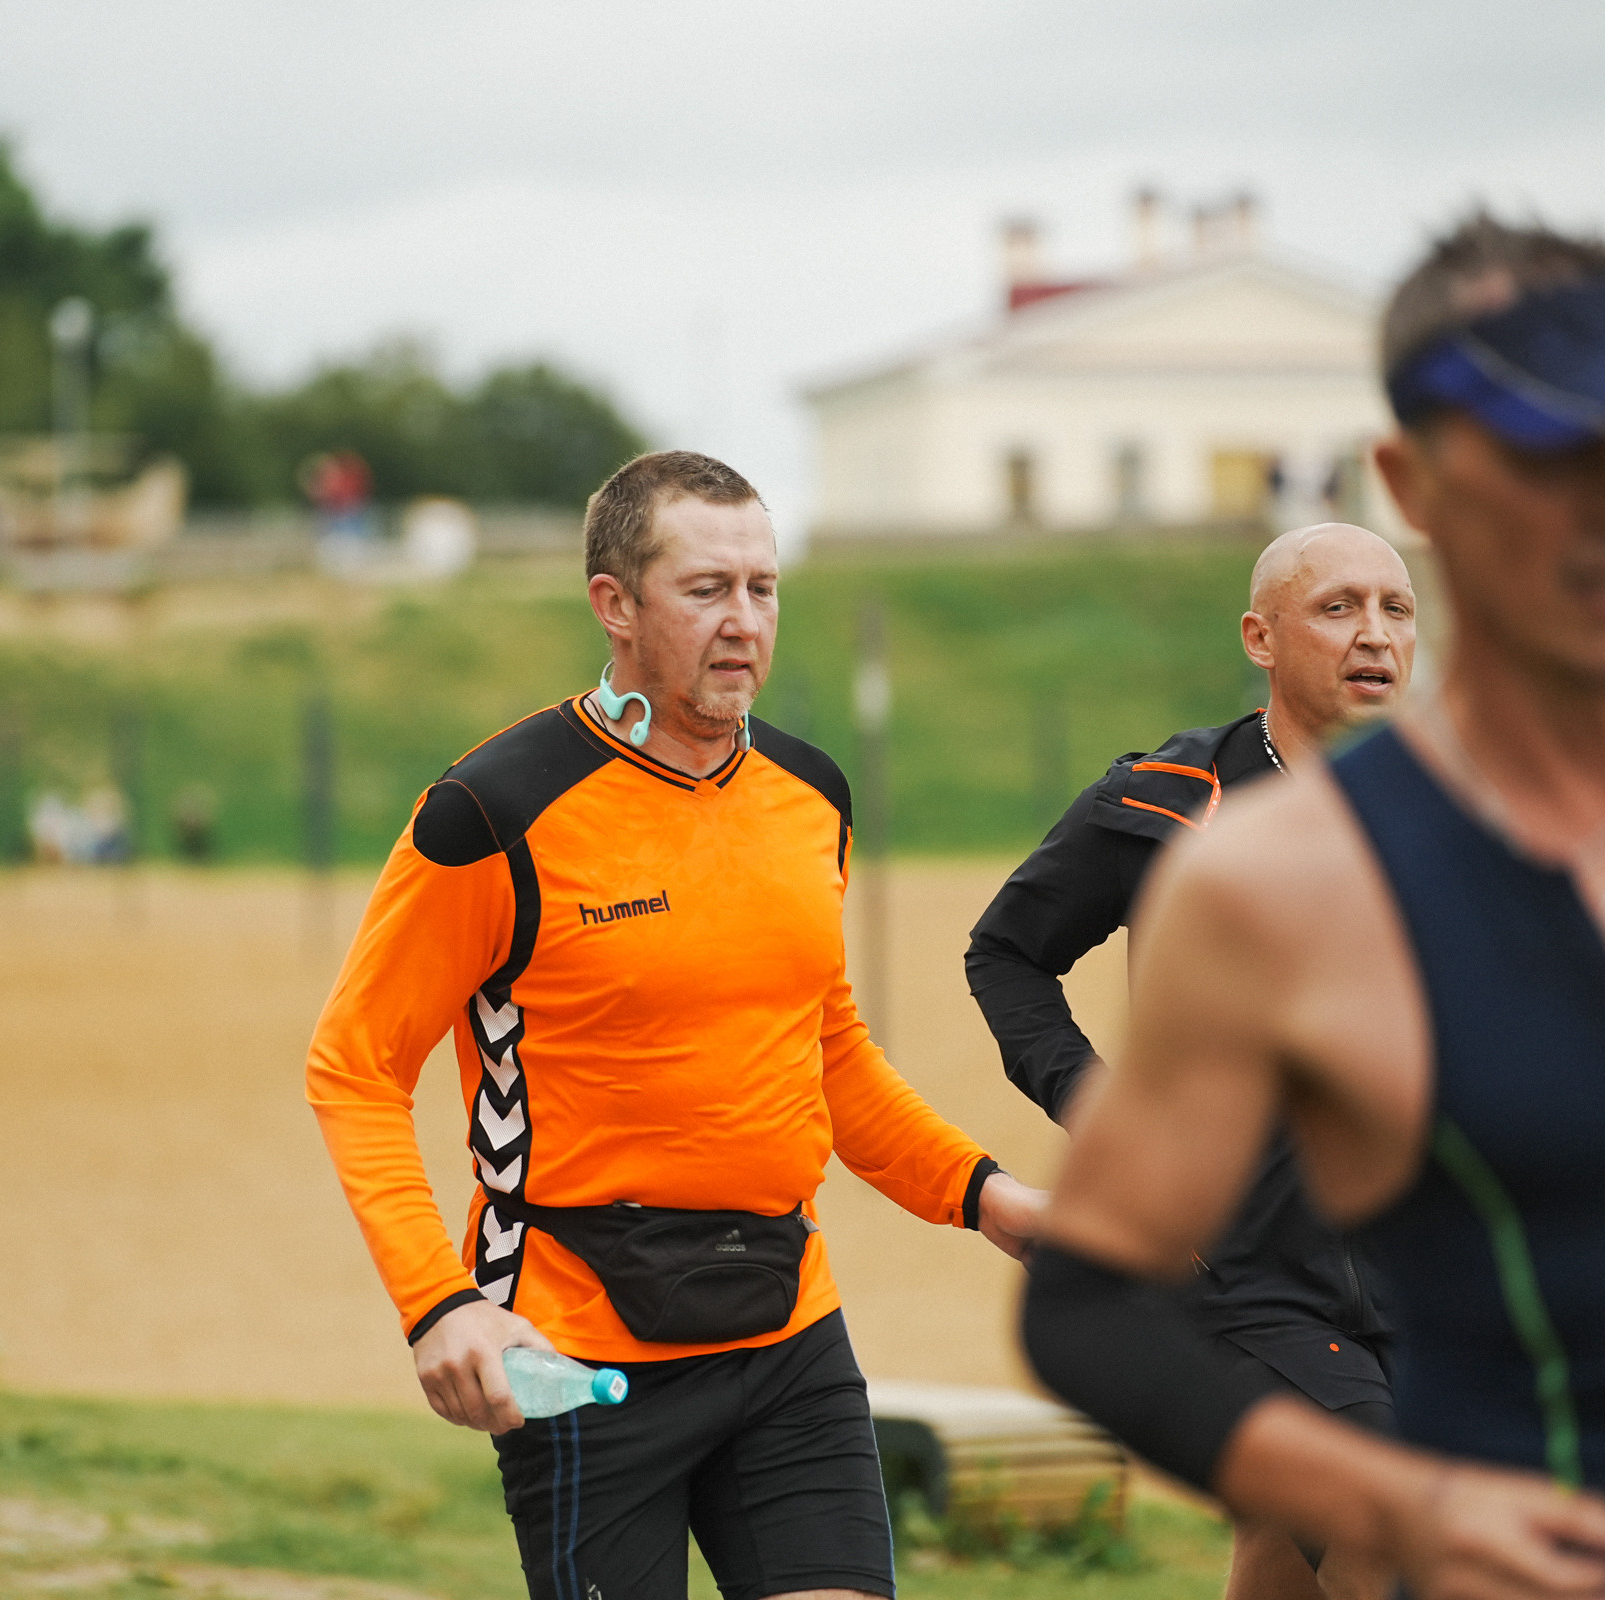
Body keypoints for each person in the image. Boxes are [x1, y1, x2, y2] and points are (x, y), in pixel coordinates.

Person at [1015, 210, 1605, 1599]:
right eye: (1548, 455)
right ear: (1416, 479)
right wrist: (1377, 1498)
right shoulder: (1281, 881)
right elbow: (1091, 1300)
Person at [306, 449, 1050, 1600]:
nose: (745, 620)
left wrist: (990, 1197)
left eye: (763, 587)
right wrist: (437, 1304)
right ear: (615, 604)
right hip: (575, 1351)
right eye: (707, 589)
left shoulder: (812, 797)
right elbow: (354, 1066)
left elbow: (829, 1050)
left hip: (787, 1326)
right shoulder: (492, 812)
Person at [966, 519, 1415, 1600]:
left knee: (1280, 1558)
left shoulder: (1455, 801)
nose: (1375, 636)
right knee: (1389, 1538)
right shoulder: (1165, 800)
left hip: (1422, 1270)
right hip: (1245, 1273)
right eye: (1338, 607)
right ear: (1260, 637)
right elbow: (1008, 954)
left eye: (1397, 608)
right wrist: (1100, 1104)